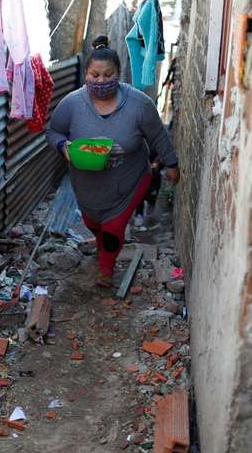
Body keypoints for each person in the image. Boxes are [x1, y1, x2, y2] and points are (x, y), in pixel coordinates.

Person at [45, 35, 180, 287]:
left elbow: (158, 135)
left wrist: (171, 164)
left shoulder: (139, 104)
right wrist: (64, 147)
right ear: (86, 73)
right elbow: (54, 132)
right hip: (87, 186)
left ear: (118, 73)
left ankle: (105, 269)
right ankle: (100, 243)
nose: (101, 81)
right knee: (92, 223)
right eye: (95, 75)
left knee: (112, 227)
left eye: (108, 75)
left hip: (129, 181)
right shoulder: (72, 104)